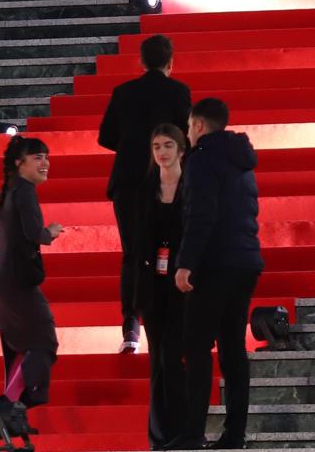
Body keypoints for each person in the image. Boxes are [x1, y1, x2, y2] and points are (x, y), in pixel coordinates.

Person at [170, 98, 263, 450]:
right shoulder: (242, 159)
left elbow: (200, 215)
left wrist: (186, 262)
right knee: (232, 350)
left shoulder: (202, 159)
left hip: (214, 264)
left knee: (195, 347)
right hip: (245, 261)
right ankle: (234, 434)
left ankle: (193, 432)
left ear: (197, 125)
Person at [98, 34, 191, 354]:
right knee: (170, 247)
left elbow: (106, 136)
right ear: (171, 62)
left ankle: (131, 328)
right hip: (166, 182)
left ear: (141, 61)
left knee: (133, 254)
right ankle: (170, 322)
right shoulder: (178, 91)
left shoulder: (123, 92)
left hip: (128, 182)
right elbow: (185, 138)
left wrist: (134, 149)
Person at [0, 136, 65, 446]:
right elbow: (35, 234)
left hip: (1, 281)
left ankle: (9, 406)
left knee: (22, 347)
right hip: (15, 282)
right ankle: (8, 406)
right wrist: (51, 232)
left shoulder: (10, 191)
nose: (44, 163)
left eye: (46, 156)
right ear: (20, 162)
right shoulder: (25, 191)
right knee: (43, 340)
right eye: (37, 157)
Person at [134, 124, 189, 450]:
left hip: (183, 282)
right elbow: (139, 239)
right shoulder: (146, 188)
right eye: (156, 146)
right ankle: (159, 436)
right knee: (158, 360)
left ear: (181, 150)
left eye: (168, 145)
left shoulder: (192, 187)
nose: (162, 152)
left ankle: (181, 430)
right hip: (153, 282)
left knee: (173, 357)